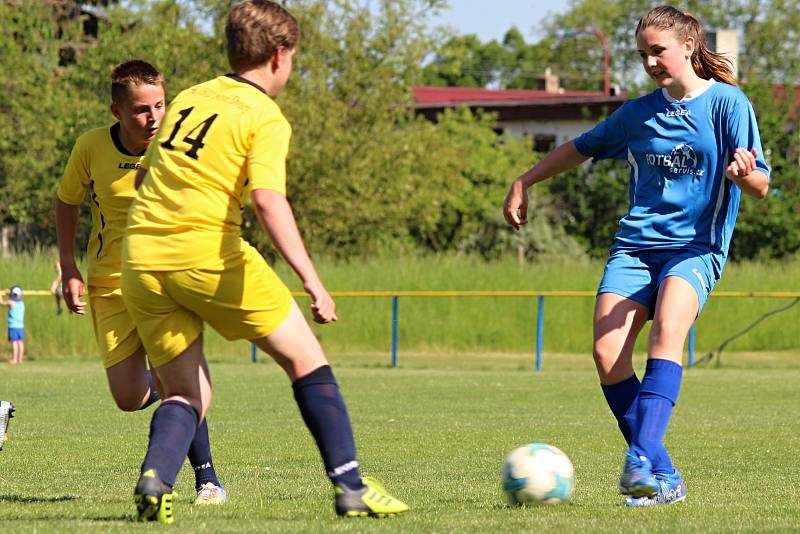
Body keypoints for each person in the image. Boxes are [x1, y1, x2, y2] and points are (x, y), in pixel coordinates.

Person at [120, 0, 409, 524]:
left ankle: (156, 477)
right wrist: (313, 281)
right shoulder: (263, 115)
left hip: (140, 255)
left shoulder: (189, 97)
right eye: (293, 58)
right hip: (206, 250)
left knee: (186, 392)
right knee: (307, 360)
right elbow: (269, 201)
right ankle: (350, 485)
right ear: (279, 56)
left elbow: (145, 179)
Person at [503, 5, 769, 507]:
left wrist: (743, 175)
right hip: (635, 247)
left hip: (695, 248)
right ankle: (661, 474)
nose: (650, 62)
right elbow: (581, 146)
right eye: (643, 54)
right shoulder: (638, 112)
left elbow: (760, 185)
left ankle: (640, 459)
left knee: (669, 328)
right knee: (607, 356)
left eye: (658, 51)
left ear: (689, 45)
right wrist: (525, 180)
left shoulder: (729, 105)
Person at [55, 60, 227, 505]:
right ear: (116, 111)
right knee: (128, 398)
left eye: (160, 106)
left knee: (178, 385)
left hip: (162, 280)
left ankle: (207, 479)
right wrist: (68, 267)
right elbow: (66, 201)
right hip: (109, 286)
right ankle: (172, 384)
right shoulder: (90, 147)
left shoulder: (178, 147)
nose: (153, 118)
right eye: (140, 110)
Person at [1, 286, 25, 364]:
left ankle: (14, 359)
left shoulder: (11, 302)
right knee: (20, 342)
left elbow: (1, 303)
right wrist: (9, 293)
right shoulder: (21, 303)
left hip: (13, 326)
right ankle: (20, 359)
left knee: (14, 342)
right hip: (21, 326)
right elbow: (15, 296)